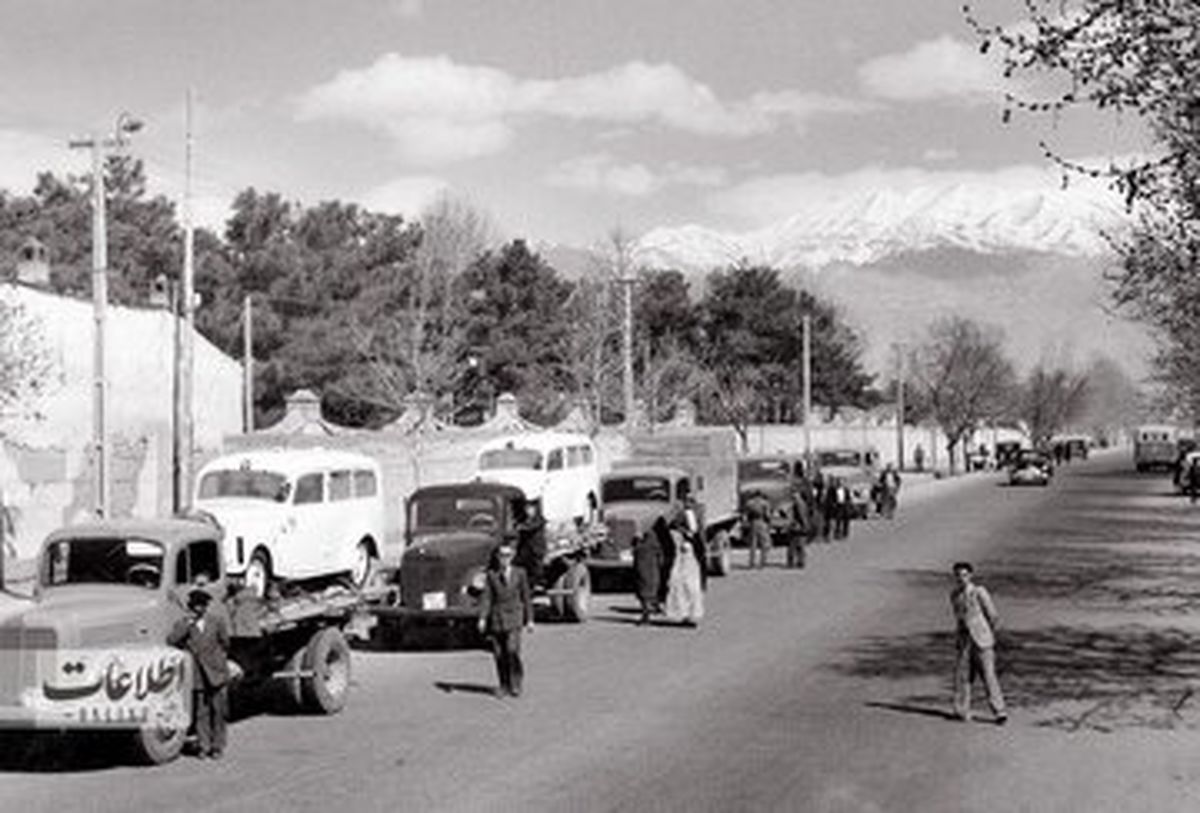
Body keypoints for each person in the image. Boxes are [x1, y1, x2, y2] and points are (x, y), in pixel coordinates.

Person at [168, 581, 232, 759]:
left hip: (216, 672)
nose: (199, 609)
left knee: (219, 711)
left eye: (202, 606)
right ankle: (203, 746)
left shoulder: (216, 622)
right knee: (201, 712)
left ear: (205, 607)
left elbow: (225, 643)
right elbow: (172, 641)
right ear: (191, 607)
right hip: (197, 674)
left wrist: (219, 661)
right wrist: (186, 626)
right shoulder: (184, 623)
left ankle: (218, 746)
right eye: (195, 606)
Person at [949, 561, 1007, 725]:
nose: (961, 578)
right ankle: (963, 710)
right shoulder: (954, 595)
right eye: (958, 575)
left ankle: (999, 711)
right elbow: (958, 618)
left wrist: (990, 635)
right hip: (965, 640)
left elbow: (993, 615)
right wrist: (958, 640)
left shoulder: (979, 592)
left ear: (970, 575)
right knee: (964, 677)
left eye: (965, 575)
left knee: (989, 675)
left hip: (982, 640)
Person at [478, 542, 534, 697]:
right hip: (497, 618)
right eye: (502, 555)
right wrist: (482, 618)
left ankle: (516, 682)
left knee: (512, 650)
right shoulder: (491, 575)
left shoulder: (520, 573)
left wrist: (529, 619)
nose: (505, 559)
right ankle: (503, 685)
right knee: (499, 654)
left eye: (508, 556)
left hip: (515, 617)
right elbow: (487, 598)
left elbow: (526, 597)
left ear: (513, 556)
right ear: (497, 557)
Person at [664, 518, 704, 627]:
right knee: (681, 590)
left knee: (690, 591)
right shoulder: (674, 535)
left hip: (689, 567)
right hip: (681, 566)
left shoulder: (690, 537)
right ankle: (684, 616)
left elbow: (699, 551)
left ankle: (690, 616)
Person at [635, 518, 667, 624]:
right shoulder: (654, 540)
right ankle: (648, 612)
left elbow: (636, 550)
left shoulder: (644, 540)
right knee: (648, 592)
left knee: (644, 593)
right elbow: (660, 556)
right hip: (650, 571)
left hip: (644, 570)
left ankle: (646, 615)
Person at [742, 490, 772, 568]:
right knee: (764, 543)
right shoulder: (765, 503)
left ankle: (752, 563)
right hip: (762, 523)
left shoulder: (749, 503)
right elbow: (767, 515)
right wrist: (769, 523)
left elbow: (745, 515)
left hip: (752, 523)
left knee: (753, 544)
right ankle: (762, 562)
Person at [786, 487, 808, 569]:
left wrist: (804, 524)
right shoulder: (799, 502)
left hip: (796, 526)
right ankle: (799, 562)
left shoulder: (797, 503)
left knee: (795, 545)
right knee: (798, 545)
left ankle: (793, 562)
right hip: (797, 526)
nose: (792, 495)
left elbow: (801, 515)